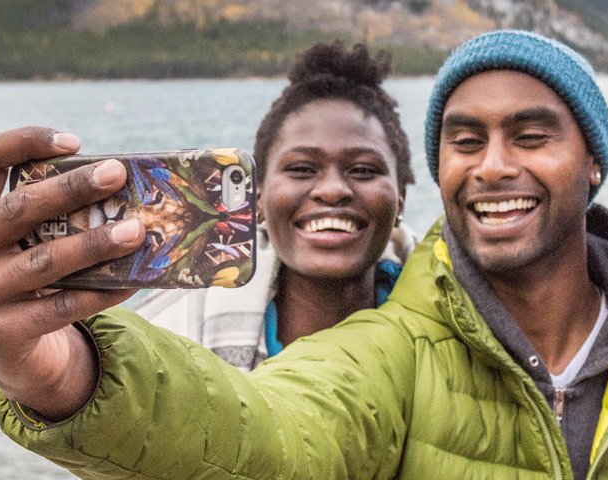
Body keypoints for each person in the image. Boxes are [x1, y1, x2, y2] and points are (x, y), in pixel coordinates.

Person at [0, 30, 608, 479]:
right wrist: (60, 371)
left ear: (593, 162)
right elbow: (261, 423)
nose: (491, 166)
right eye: (464, 139)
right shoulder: (399, 346)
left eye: (530, 135)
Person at [131, 41, 417, 370]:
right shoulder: (168, 340)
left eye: (364, 170)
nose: (333, 190)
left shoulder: (447, 324)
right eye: (302, 169)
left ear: (400, 200)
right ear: (258, 200)